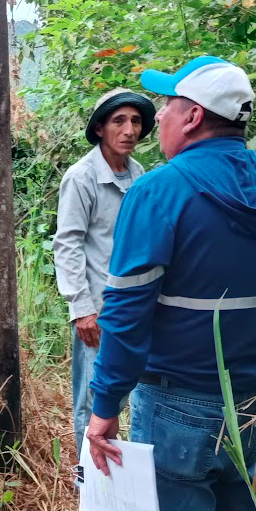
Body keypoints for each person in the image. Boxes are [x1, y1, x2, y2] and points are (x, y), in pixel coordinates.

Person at [84, 56, 256, 511]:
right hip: (252, 402)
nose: (157, 117)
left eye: (167, 105)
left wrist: (104, 407)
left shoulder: (160, 191)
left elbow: (126, 313)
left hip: (176, 403)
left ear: (194, 116)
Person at [54, 88, 155, 455]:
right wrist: (82, 309)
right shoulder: (81, 177)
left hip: (134, 306)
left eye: (136, 121)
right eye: (118, 121)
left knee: (133, 392)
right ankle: (88, 477)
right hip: (97, 310)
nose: (129, 130)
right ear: (99, 128)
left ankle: (124, 475)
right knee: (93, 400)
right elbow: (67, 243)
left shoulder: (138, 173)